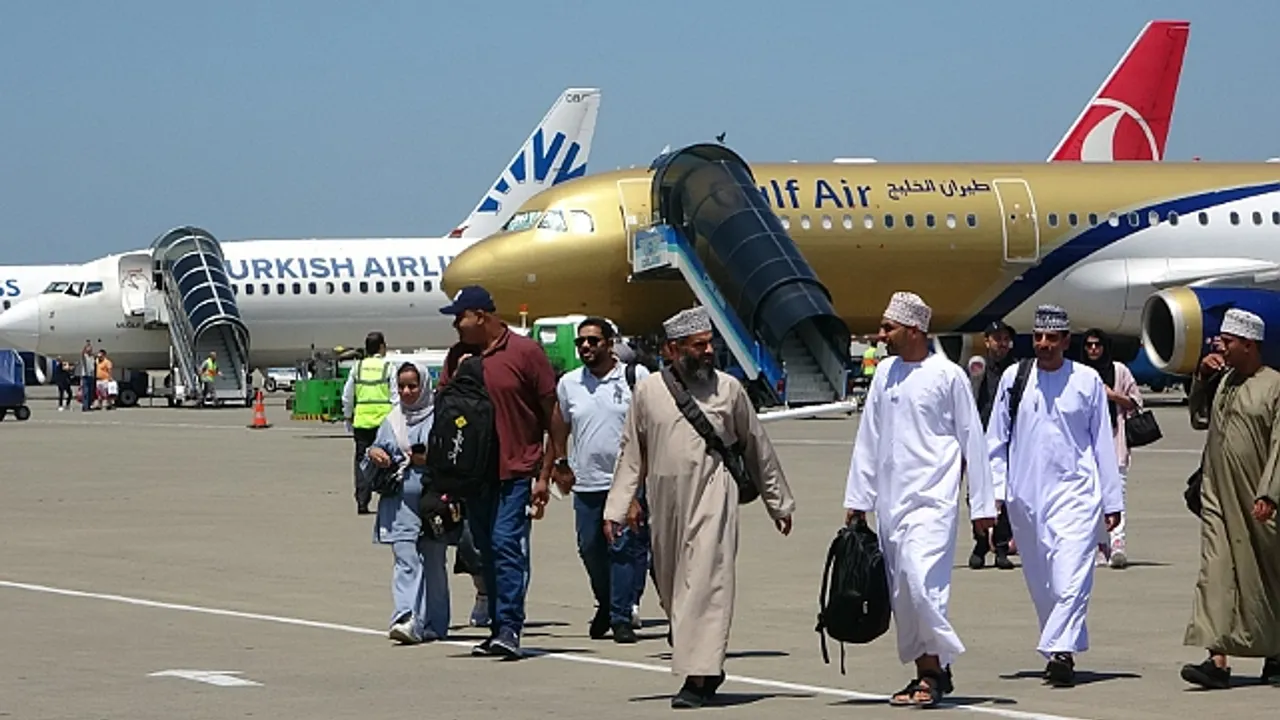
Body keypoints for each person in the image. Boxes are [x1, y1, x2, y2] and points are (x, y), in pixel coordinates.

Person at [603, 306, 795, 709]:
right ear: (673, 350)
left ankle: (700, 676)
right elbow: (632, 452)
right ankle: (700, 658)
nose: (708, 351)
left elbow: (757, 446)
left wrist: (778, 503)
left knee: (707, 581)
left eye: (710, 344)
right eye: (698, 345)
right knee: (673, 584)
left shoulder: (729, 390)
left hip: (713, 494)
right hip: (665, 502)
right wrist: (618, 507)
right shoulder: (648, 391)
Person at [844, 291, 997, 708]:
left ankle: (938, 663)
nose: (881, 335)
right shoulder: (885, 373)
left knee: (920, 582)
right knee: (904, 595)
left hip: (933, 503)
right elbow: (869, 437)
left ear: (913, 330)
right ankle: (928, 673)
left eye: (888, 328)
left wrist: (983, 507)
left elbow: (973, 440)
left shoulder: (949, 375)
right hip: (891, 504)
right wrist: (858, 499)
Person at [986, 304, 1124, 687]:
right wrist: (995, 494)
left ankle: (1060, 649)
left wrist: (1112, 501)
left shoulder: (1087, 381)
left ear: (1066, 340)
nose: (1044, 344)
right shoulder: (1016, 378)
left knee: (1071, 577)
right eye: (1038, 337)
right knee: (1042, 583)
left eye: (1052, 338)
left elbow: (1102, 443)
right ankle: (1059, 652)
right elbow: (995, 441)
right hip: (1025, 498)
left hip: (1077, 494)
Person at [439, 285, 556, 660]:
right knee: (484, 548)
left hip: (516, 467)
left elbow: (552, 412)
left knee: (506, 543)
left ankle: (509, 627)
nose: (455, 325)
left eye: (460, 317)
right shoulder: (458, 355)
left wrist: (548, 470)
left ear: (481, 316)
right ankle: (496, 627)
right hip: (475, 473)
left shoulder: (525, 352)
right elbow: (444, 410)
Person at [1179, 308, 1280, 689]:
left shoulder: (1274, 385)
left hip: (1258, 502)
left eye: (1228, 341)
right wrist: (1202, 378)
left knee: (1264, 579)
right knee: (1214, 572)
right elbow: (1199, 417)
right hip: (1218, 497)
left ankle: (1275, 654)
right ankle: (1216, 660)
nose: (1220, 346)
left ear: (1249, 345)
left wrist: (1269, 493)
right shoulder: (1223, 380)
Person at [550, 317, 649, 644]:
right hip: (586, 482)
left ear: (610, 343)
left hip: (625, 481)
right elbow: (559, 422)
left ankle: (620, 616)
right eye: (580, 342)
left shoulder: (635, 377)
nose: (585, 347)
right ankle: (606, 602)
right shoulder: (569, 383)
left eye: (593, 340)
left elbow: (650, 427)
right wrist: (560, 462)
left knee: (621, 547)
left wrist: (642, 479)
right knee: (590, 548)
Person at [363, 361, 451, 644]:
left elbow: (453, 455)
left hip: (433, 500)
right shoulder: (392, 419)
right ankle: (406, 617)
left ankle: (435, 623)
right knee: (405, 559)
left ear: (424, 386)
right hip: (399, 502)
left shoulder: (440, 418)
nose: (407, 392)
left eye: (413, 386)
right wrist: (375, 453)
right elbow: (373, 452)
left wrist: (429, 459)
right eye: (401, 386)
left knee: (433, 562)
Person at [1079, 328, 1143, 569]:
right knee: (1091, 499)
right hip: (1086, 447)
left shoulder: (1119, 371)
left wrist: (1113, 395)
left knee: (1116, 496)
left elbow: (1136, 402)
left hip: (1116, 443)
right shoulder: (1079, 373)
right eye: (1089, 345)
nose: (1093, 349)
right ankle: (1100, 545)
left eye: (1097, 344)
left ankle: (1118, 544)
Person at [968, 320, 1017, 570]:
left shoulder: (1018, 371)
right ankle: (980, 542)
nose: (1002, 343)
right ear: (987, 341)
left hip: (1009, 440)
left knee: (1006, 496)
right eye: (997, 338)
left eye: (1005, 339)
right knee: (977, 494)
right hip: (981, 439)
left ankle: (1001, 547)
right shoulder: (978, 369)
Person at [343, 332, 397, 515]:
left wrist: (348, 416)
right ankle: (387, 495)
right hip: (383, 422)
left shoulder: (357, 368)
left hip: (362, 422)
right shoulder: (388, 367)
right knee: (387, 460)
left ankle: (362, 501)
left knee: (362, 461)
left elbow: (347, 396)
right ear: (382, 347)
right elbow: (395, 397)